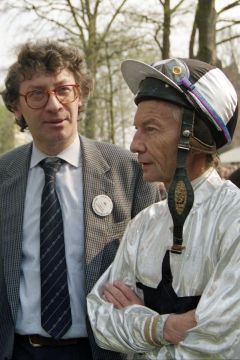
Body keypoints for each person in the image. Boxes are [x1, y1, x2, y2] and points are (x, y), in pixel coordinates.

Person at [0, 40, 160, 360]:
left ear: (81, 95)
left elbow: (159, 266)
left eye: (64, 90)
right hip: (18, 351)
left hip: (105, 350)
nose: (54, 105)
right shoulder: (3, 177)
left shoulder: (130, 172)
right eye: (36, 94)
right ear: (17, 108)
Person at [87, 57, 240, 359]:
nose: (134, 144)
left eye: (151, 129)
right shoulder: (145, 222)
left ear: (194, 137)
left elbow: (218, 344)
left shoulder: (233, 220)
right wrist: (163, 328)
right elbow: (101, 316)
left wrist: (136, 323)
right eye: (136, 129)